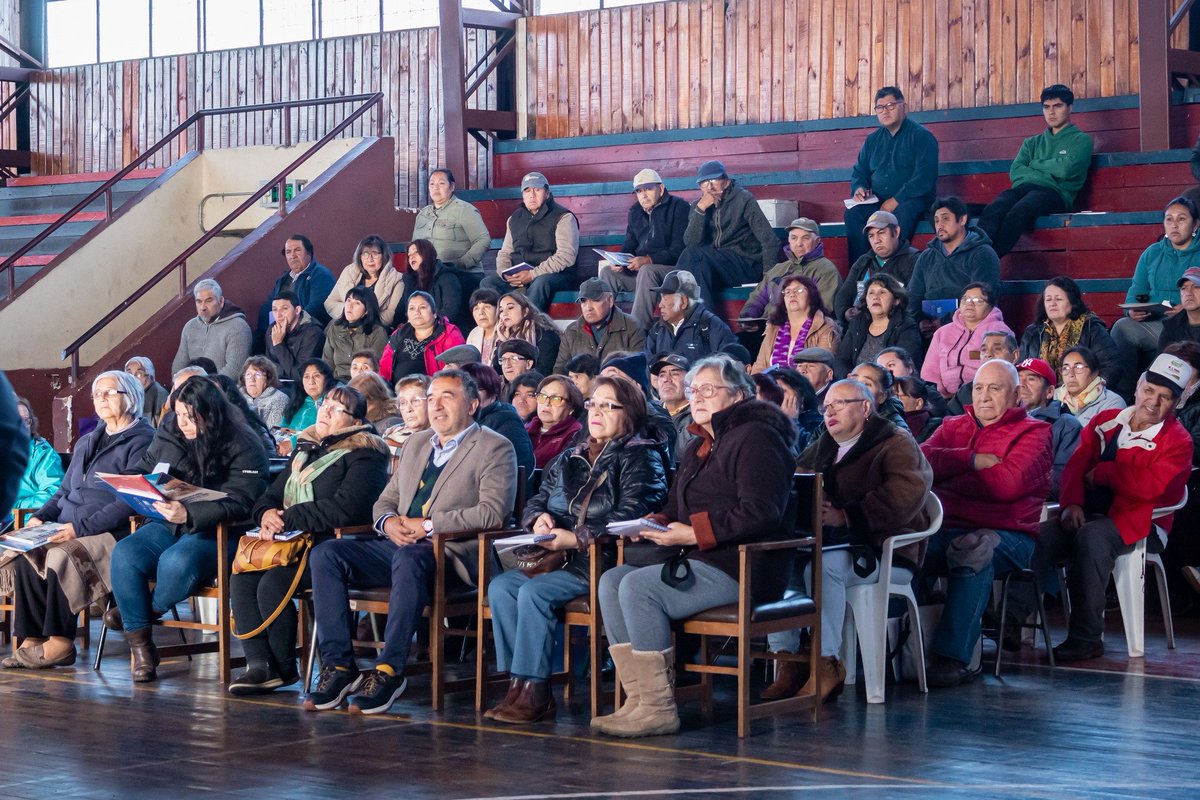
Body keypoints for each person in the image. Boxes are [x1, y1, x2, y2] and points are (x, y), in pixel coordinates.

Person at [592, 357, 796, 738]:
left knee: (639, 587)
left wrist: (691, 534)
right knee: (613, 579)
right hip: (703, 559)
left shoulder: (756, 437)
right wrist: (655, 522)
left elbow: (762, 511)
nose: (696, 397)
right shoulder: (704, 442)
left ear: (737, 395)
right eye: (693, 389)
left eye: (708, 389)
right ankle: (638, 699)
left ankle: (658, 708)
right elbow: (677, 505)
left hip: (744, 566)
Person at [304, 369, 518, 714]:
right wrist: (388, 523)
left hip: (453, 554)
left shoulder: (494, 446)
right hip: (399, 544)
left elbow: (492, 513)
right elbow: (385, 502)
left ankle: (389, 669)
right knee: (327, 553)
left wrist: (429, 526)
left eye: (447, 396)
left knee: (410, 558)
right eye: (430, 398)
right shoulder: (416, 442)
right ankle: (340, 666)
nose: (436, 406)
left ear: (473, 404)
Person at [486, 375, 669, 723]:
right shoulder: (573, 453)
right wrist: (537, 517)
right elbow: (538, 498)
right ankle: (518, 682)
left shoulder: (642, 456)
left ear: (628, 412)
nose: (596, 411)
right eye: (592, 404)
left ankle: (536, 691)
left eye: (607, 405)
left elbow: (632, 514)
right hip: (558, 557)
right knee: (502, 588)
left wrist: (577, 537)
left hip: (602, 559)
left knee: (534, 593)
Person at [760, 379, 932, 702]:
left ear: (866, 407)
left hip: (885, 551)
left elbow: (905, 494)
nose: (830, 412)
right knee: (778, 565)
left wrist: (848, 516)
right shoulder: (825, 444)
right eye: (826, 407)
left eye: (840, 404)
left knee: (823, 567)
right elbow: (796, 480)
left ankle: (827, 664)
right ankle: (786, 660)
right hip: (831, 545)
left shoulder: (895, 442)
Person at [229, 386, 390, 694]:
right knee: (242, 577)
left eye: (336, 409)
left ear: (355, 421)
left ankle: (284, 667)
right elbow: (271, 494)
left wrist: (288, 517)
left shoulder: (366, 453)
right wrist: (265, 514)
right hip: (285, 539)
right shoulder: (306, 448)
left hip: (330, 544)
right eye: (324, 405)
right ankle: (260, 665)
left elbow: (347, 509)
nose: (325, 411)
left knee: (272, 583)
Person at [108, 376, 269, 682]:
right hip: (167, 519)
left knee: (177, 562)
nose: (182, 423)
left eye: (191, 417)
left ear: (210, 413)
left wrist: (190, 513)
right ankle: (143, 651)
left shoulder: (245, 443)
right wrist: (131, 483)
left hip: (217, 529)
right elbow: (146, 465)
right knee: (125, 554)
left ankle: (147, 611)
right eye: (179, 414)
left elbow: (244, 501)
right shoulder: (170, 428)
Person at [1039, 354, 1194, 662]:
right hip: (1094, 512)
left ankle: (1086, 637)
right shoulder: (1105, 421)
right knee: (1041, 535)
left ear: (1175, 403)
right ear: (1137, 388)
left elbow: (1154, 488)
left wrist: (1106, 472)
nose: (1153, 401)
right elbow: (1075, 466)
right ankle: (1012, 623)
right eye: (1149, 390)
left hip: (1144, 523)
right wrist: (1072, 504)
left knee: (1092, 538)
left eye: (1165, 397)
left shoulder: (1179, 441)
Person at [0, 372, 152, 669]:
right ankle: (31, 638)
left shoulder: (145, 442)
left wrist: (78, 529)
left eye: (110, 393)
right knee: (29, 553)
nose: (102, 399)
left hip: (112, 532)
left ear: (132, 396)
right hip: (66, 526)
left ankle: (60, 641)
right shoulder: (87, 441)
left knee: (59, 556)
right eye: (97, 395)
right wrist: (41, 517)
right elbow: (64, 491)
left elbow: (128, 502)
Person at [919, 359, 1053, 687]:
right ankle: (903, 646)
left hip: (1010, 535)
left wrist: (946, 481)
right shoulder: (951, 426)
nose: (984, 396)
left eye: (995, 388)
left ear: (1015, 394)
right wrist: (970, 460)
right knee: (904, 545)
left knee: (974, 548)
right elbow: (920, 465)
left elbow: (1005, 484)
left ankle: (954, 658)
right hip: (947, 528)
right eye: (978, 388)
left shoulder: (1037, 432)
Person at [978, 85, 1094, 258]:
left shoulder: (1081, 140)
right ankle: (975, 255)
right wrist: (1050, 169)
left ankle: (989, 259)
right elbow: (1016, 171)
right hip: (1025, 189)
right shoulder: (1031, 142)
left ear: (1070, 108)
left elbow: (1067, 169)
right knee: (995, 207)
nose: (1051, 112)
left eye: (1058, 106)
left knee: (1020, 211)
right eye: (1046, 107)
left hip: (1056, 194)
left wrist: (1034, 164)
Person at [1111, 196, 1200, 397]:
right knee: (1122, 327)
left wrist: (1186, 309)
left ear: (1196, 224)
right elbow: (1135, 293)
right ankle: (1122, 396)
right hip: (1156, 323)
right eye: (1169, 219)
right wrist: (1133, 310)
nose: (1174, 225)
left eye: (1182, 219)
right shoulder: (1152, 253)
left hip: (1190, 324)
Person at [844, 87, 939, 264]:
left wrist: (896, 200)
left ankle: (894, 270)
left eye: (890, 105)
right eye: (880, 108)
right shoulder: (872, 140)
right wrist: (859, 188)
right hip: (879, 201)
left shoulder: (922, 137)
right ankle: (861, 271)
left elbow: (924, 178)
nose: (885, 111)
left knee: (902, 212)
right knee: (854, 213)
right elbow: (860, 171)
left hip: (913, 200)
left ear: (904, 107)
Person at [676, 160, 780, 310]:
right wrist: (701, 209)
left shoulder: (743, 199)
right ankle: (704, 323)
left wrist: (768, 279)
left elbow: (770, 241)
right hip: (717, 266)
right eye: (704, 183)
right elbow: (690, 242)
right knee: (695, 267)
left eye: (714, 180)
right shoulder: (698, 207)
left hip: (745, 264)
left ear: (726, 181)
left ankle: (705, 322)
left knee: (691, 259)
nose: (710, 187)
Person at [599, 168, 691, 327]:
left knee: (647, 270)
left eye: (648, 189)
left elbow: (680, 249)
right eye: (639, 191)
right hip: (643, 275)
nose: (643, 195)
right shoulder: (635, 212)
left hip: (671, 271)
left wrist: (649, 260)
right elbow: (629, 244)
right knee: (608, 272)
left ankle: (636, 331)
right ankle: (605, 328)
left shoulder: (679, 207)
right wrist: (619, 261)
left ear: (661, 189)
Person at [481, 172, 579, 311]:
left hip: (555, 275)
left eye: (537, 190)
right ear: (522, 194)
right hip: (520, 276)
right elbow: (505, 253)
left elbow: (566, 256)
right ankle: (500, 328)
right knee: (488, 283)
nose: (532, 195)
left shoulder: (564, 217)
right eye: (527, 190)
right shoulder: (514, 219)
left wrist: (532, 274)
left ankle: (528, 327)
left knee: (540, 283)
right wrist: (505, 274)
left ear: (547, 193)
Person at [907, 197, 1001, 334]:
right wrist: (920, 320)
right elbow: (913, 297)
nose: (939, 225)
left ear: (962, 220)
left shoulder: (983, 254)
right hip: (929, 332)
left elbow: (982, 300)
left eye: (945, 219)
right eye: (936, 220)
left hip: (971, 329)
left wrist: (946, 321)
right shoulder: (926, 257)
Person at [1019, 275, 1122, 386]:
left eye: (1058, 299)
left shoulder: (1091, 328)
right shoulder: (1032, 332)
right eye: (1048, 299)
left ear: (1072, 302)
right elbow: (1022, 368)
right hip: (1042, 396)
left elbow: (1111, 366)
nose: (1052, 303)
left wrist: (1091, 391)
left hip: (1084, 394)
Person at [739, 218, 842, 325]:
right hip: (767, 328)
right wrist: (748, 318)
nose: (799, 243)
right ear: (789, 241)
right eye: (794, 238)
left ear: (817, 241)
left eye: (805, 238)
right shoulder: (777, 269)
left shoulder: (826, 270)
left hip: (802, 331)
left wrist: (779, 322)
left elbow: (821, 309)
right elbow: (758, 298)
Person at [921, 282, 1013, 398]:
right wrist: (939, 395)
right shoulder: (942, 332)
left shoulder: (999, 332)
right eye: (966, 299)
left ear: (990, 307)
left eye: (978, 301)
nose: (970, 304)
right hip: (942, 399)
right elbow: (929, 371)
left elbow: (1000, 372)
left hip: (980, 396)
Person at [460, 362, 536, 490]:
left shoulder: (508, 423)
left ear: (493, 391)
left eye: (477, 389)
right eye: (462, 390)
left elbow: (511, 475)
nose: (468, 396)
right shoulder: (465, 422)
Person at [834, 210, 921, 322]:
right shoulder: (864, 261)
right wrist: (847, 313)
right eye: (871, 236)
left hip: (897, 328)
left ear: (896, 232)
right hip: (860, 327)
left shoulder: (915, 259)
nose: (876, 240)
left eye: (881, 233)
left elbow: (913, 302)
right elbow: (843, 296)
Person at [1015, 357, 1082, 499]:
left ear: (1050, 392)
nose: (1022, 384)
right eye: (1018, 378)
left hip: (1033, 507)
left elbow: (1061, 482)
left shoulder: (1067, 426)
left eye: (1031, 379)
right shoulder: (1002, 420)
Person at [835, 273, 923, 375]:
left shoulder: (906, 326)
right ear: (866, 301)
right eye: (871, 293)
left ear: (896, 300)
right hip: (857, 384)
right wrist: (849, 377)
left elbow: (905, 367)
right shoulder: (857, 322)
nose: (875, 297)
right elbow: (842, 359)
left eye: (882, 292)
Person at [643, 270, 740, 361]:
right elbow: (649, 367)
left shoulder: (714, 327)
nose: (660, 305)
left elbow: (729, 366)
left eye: (665, 299)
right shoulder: (656, 330)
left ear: (683, 301)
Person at [751, 275, 841, 373]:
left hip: (807, 386)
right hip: (772, 386)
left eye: (799, 290)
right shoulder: (773, 328)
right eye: (787, 292)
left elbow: (820, 371)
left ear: (812, 296)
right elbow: (759, 367)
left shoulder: (826, 326)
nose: (792, 295)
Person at [410, 167, 491, 274]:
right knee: (407, 279)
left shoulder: (465, 210)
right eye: (432, 184)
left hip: (460, 272)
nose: (436, 188)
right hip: (427, 273)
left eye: (441, 183)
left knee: (444, 280)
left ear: (452, 186)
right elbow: (414, 246)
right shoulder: (422, 214)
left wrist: (460, 264)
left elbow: (483, 240)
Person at [554, 278, 646, 373]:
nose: (588, 307)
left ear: (610, 300)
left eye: (595, 300)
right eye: (583, 301)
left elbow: (638, 370)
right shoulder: (571, 331)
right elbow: (560, 371)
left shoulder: (632, 327)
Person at [171, 279, 252, 379]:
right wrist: (181, 386)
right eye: (199, 301)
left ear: (221, 301)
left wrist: (206, 388)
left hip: (222, 391)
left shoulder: (238, 326)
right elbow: (179, 364)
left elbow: (235, 369)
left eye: (208, 301)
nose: (203, 307)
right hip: (192, 389)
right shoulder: (190, 326)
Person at [379, 291, 466, 382]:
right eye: (411, 308)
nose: (417, 312)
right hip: (396, 392)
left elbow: (457, 368)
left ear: (434, 313)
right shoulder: (399, 334)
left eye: (422, 307)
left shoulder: (449, 333)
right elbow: (384, 365)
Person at [324, 234, 405, 328]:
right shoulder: (349, 272)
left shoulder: (396, 279)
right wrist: (352, 315)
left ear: (384, 256)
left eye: (375, 254)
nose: (370, 259)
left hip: (374, 331)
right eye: (365, 254)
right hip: (345, 327)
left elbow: (390, 315)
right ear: (360, 257)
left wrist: (361, 320)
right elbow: (330, 303)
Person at [7, 397, 64, 526]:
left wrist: (14, 506)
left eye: (26, 421)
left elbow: (52, 493)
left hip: (24, 522)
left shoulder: (43, 453)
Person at [261, 234, 336, 330]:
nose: (292, 256)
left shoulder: (321, 275)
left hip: (307, 332)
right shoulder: (282, 280)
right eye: (288, 252)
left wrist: (291, 327)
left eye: (297, 250)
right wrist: (271, 330)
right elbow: (268, 307)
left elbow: (316, 308)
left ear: (309, 253)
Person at [322, 285, 389, 382]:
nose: (350, 306)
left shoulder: (377, 332)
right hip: (337, 383)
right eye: (348, 300)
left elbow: (377, 369)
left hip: (364, 383)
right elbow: (327, 363)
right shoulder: (335, 327)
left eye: (357, 303)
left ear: (366, 310)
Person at [400, 238, 469, 331]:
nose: (411, 257)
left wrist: (426, 325)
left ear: (427, 254)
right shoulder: (411, 280)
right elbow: (402, 310)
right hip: (420, 330)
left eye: (415, 253)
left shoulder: (447, 276)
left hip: (447, 331)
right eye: (409, 255)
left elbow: (451, 312)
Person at [1054, 345, 1126, 427]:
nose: (1071, 374)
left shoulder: (1112, 403)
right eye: (1065, 368)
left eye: (1078, 367)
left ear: (1095, 372)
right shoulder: (1053, 397)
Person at [278, 359, 337, 455]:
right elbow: (282, 428)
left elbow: (324, 433)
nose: (311, 382)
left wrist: (293, 442)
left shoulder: (331, 405)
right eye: (306, 377)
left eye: (316, 376)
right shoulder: (297, 402)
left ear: (327, 379)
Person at [265, 290, 325, 384]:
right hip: (276, 383)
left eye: (284, 309)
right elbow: (267, 368)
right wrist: (285, 370)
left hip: (303, 386)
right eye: (275, 310)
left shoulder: (313, 332)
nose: (278, 315)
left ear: (297, 310)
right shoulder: (273, 328)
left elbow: (300, 374)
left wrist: (278, 344)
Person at [494, 291, 561, 376]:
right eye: (501, 310)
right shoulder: (504, 337)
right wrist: (504, 343)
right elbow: (497, 370)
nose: (504, 313)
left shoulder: (546, 336)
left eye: (510, 308)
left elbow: (543, 372)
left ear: (525, 311)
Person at [525, 374, 584, 468]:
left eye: (556, 399)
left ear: (571, 407)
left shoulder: (575, 434)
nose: (547, 403)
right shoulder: (526, 429)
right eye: (542, 396)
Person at [650, 353, 695, 460]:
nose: (667, 379)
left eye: (675, 374)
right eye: (662, 375)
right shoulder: (648, 413)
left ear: (690, 380)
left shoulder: (698, 415)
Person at [382, 373, 432, 455]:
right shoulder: (391, 435)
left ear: (430, 401)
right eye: (403, 403)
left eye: (416, 401)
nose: (408, 409)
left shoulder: (442, 437)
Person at [238, 356, 288, 429]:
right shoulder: (236, 395)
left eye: (257, 375)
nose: (252, 379)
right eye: (248, 374)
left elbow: (273, 432)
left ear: (268, 378)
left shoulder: (280, 399)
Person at [1159, 266, 1200, 350]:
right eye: (1184, 288)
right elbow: (1161, 360)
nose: (1188, 293)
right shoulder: (1171, 326)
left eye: (1196, 287)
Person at [894, 375, 942, 442]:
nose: (893, 401)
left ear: (918, 403)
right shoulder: (886, 424)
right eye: (891, 397)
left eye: (899, 397)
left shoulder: (935, 428)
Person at [124, 357, 170, 425]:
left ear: (150, 376)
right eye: (129, 374)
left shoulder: (159, 394)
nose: (133, 378)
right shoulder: (126, 394)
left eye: (139, 374)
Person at [465, 288, 502, 366]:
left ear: (498, 310)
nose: (481, 313)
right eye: (476, 308)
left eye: (487, 307)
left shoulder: (505, 332)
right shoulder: (474, 333)